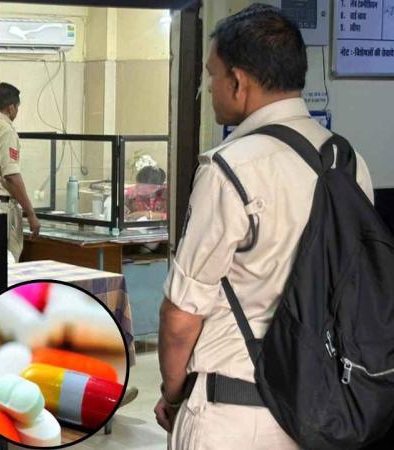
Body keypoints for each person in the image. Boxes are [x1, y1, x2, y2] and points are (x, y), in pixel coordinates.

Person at [154, 4, 374, 449]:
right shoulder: (349, 163)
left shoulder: (229, 169)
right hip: (322, 413)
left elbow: (181, 317)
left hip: (233, 416)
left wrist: (173, 395)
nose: (208, 87)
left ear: (239, 82)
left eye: (212, 75)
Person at [0, 82, 40, 261]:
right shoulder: (6, 130)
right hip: (4, 206)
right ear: (11, 108)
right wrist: (31, 213)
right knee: (9, 260)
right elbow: (11, 176)